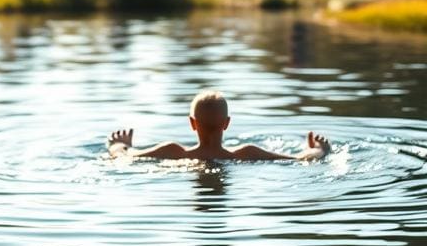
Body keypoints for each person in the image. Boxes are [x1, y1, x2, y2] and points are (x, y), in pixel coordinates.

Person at [108, 90, 331, 161]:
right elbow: (300, 160)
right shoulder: (246, 153)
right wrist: (319, 150)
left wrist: (119, 144)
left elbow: (124, 157)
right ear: (227, 123)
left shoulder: (173, 151)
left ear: (192, 124)